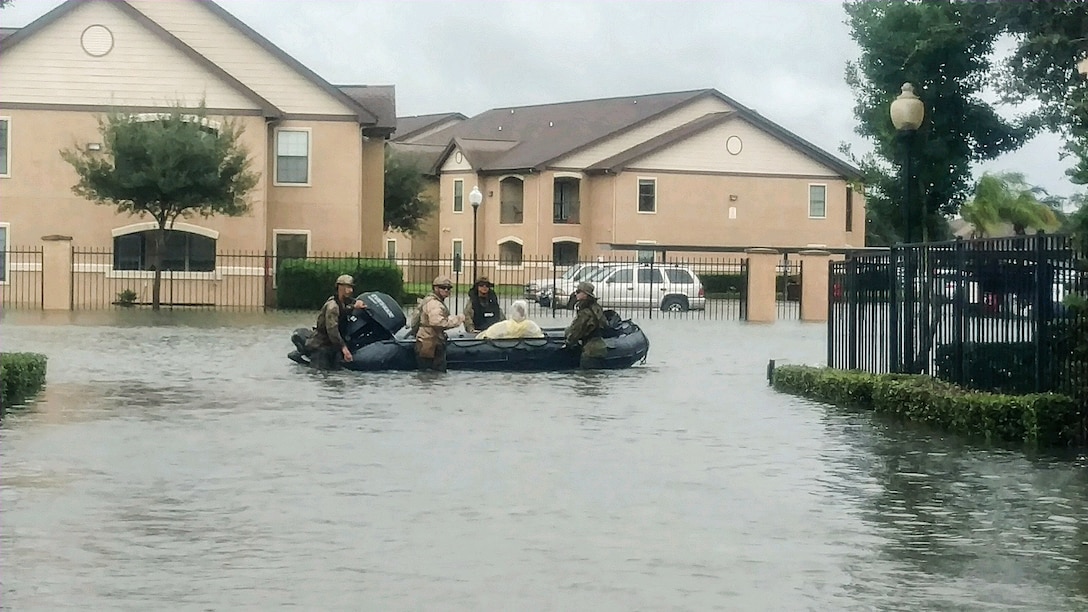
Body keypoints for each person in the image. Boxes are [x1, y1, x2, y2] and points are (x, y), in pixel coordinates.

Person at [303, 274, 366, 369]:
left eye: (351, 288)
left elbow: (345, 309)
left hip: (333, 346)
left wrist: (356, 305)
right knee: (323, 372)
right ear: (340, 288)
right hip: (321, 346)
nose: (351, 290)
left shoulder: (343, 302)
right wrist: (344, 348)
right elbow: (332, 331)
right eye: (348, 287)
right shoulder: (332, 306)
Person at [415, 275, 465, 371]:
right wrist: (458, 319)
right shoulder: (434, 304)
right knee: (433, 374)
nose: (446, 290)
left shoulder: (430, 301)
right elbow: (437, 323)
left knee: (428, 374)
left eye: (449, 288)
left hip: (427, 342)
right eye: (443, 287)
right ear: (435, 288)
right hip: (430, 344)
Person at [564, 281, 609, 369]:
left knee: (585, 379)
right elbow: (605, 325)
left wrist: (568, 341)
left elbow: (576, 331)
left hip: (590, 351)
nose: (575, 294)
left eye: (578, 292)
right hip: (601, 348)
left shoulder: (585, 313)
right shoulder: (597, 308)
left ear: (585, 294)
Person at [476, 299, 544, 340]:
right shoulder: (530, 326)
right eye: (519, 310)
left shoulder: (504, 325)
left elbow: (488, 334)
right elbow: (539, 336)